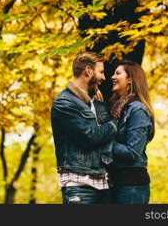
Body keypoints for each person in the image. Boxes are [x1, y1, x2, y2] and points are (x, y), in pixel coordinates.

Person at [50, 52, 118, 204]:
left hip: (104, 183)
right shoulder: (64, 103)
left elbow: (106, 138)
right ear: (88, 71)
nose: (104, 77)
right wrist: (115, 123)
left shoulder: (96, 102)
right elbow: (90, 137)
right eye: (101, 72)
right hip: (79, 185)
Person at [108, 60, 155, 204]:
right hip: (117, 184)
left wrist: (106, 144)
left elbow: (133, 152)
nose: (112, 77)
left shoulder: (137, 110)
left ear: (130, 79)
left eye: (118, 73)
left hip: (132, 187)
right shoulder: (118, 108)